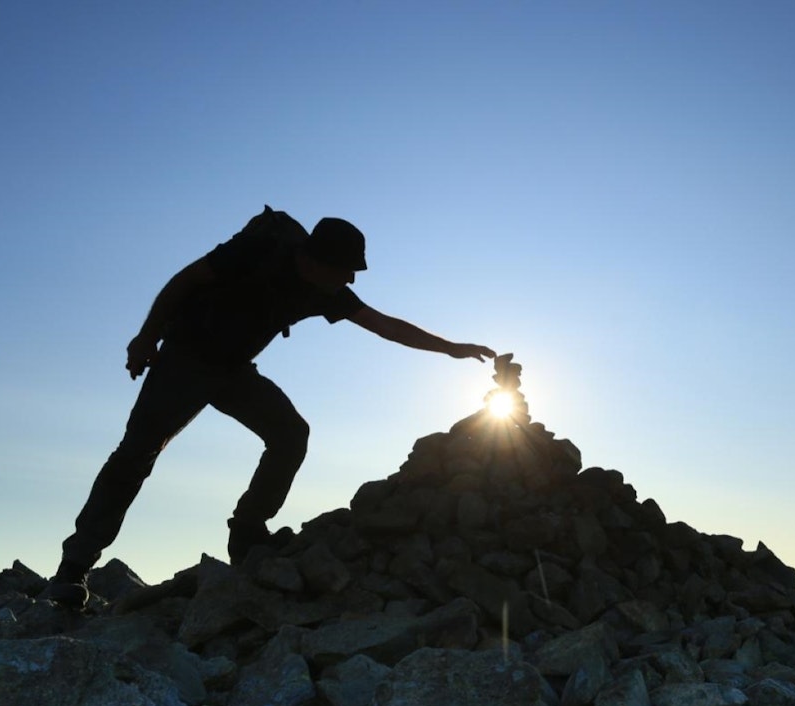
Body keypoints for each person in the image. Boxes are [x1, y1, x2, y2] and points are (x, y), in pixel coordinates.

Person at [42, 206, 495, 609]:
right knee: (136, 454)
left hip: (234, 371)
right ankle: (74, 567)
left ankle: (248, 534)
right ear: (316, 261)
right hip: (184, 359)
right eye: (347, 270)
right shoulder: (257, 251)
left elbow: (385, 326)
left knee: (290, 434)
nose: (352, 280)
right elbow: (184, 281)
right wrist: (146, 337)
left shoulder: (326, 290)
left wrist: (452, 349)